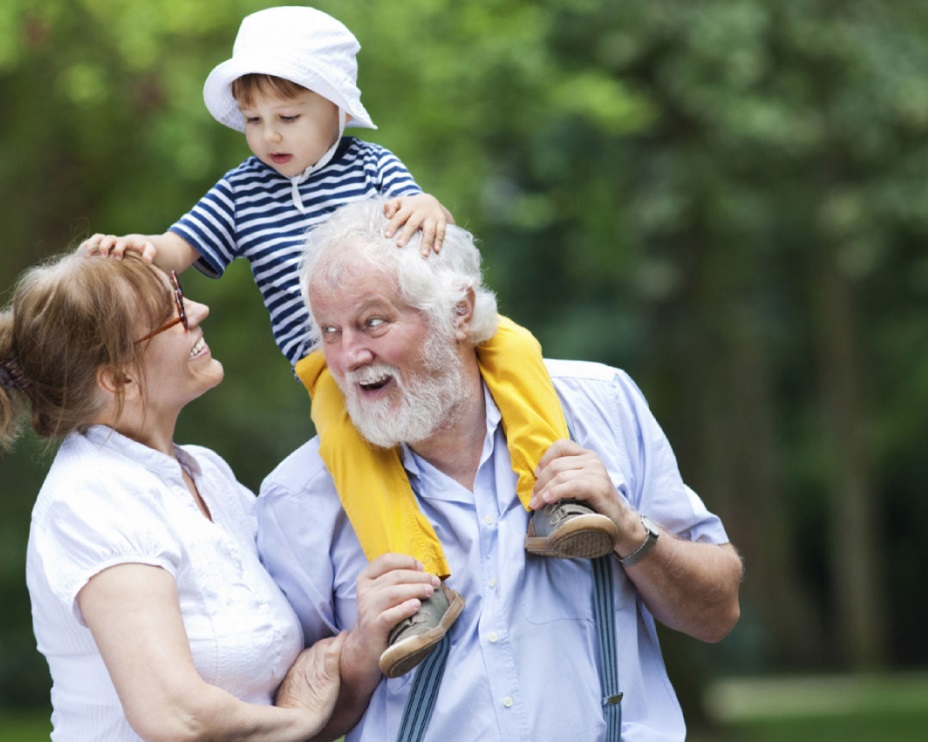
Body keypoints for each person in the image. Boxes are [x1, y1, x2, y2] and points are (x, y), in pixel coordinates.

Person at [79, 5, 615, 678]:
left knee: (517, 350)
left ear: (335, 108)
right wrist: (139, 249)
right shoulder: (242, 191)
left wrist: (429, 209)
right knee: (347, 444)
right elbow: (176, 247)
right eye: (253, 120)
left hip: (414, 327)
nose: (269, 135)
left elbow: (422, 212)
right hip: (327, 363)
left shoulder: (372, 166)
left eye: (288, 116)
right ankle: (418, 582)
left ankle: (553, 498)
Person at [256, 197, 744, 741]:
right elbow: (286, 725)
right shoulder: (295, 498)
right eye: (329, 332)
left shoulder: (603, 405)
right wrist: (357, 653)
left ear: (459, 312)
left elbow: (717, 612)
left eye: (372, 323)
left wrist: (631, 531)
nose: (347, 357)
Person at [0, 252, 345, 741]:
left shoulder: (206, 473)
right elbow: (176, 716)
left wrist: (361, 645)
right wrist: (301, 722)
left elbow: (291, 680)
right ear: (117, 378)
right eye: (174, 313)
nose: (199, 311)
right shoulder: (89, 499)